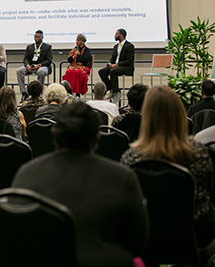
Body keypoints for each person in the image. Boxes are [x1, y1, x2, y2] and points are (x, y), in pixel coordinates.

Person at [12, 102, 148, 267]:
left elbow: (17, 237)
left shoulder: (26, 174)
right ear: (98, 137)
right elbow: (138, 241)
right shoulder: (122, 177)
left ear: (53, 134)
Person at [121, 85, 215, 247]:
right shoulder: (199, 153)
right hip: (193, 238)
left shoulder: (130, 158)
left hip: (148, 237)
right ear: (179, 113)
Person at [98, 29, 135, 103]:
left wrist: (117, 65)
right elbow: (113, 58)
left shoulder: (129, 46)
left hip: (126, 67)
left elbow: (129, 61)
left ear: (121, 35)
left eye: (116, 34)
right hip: (116, 66)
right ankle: (111, 88)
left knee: (113, 71)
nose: (115, 35)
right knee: (102, 71)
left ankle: (116, 92)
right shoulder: (116, 47)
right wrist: (110, 64)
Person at [17, 30, 53, 103]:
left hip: (43, 66)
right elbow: (25, 59)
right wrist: (27, 66)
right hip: (31, 66)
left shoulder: (47, 47)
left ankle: (39, 93)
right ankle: (24, 93)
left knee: (41, 71)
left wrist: (39, 65)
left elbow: (49, 60)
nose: (36, 38)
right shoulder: (29, 47)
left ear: (42, 37)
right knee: (19, 71)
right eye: (35, 37)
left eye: (38, 37)